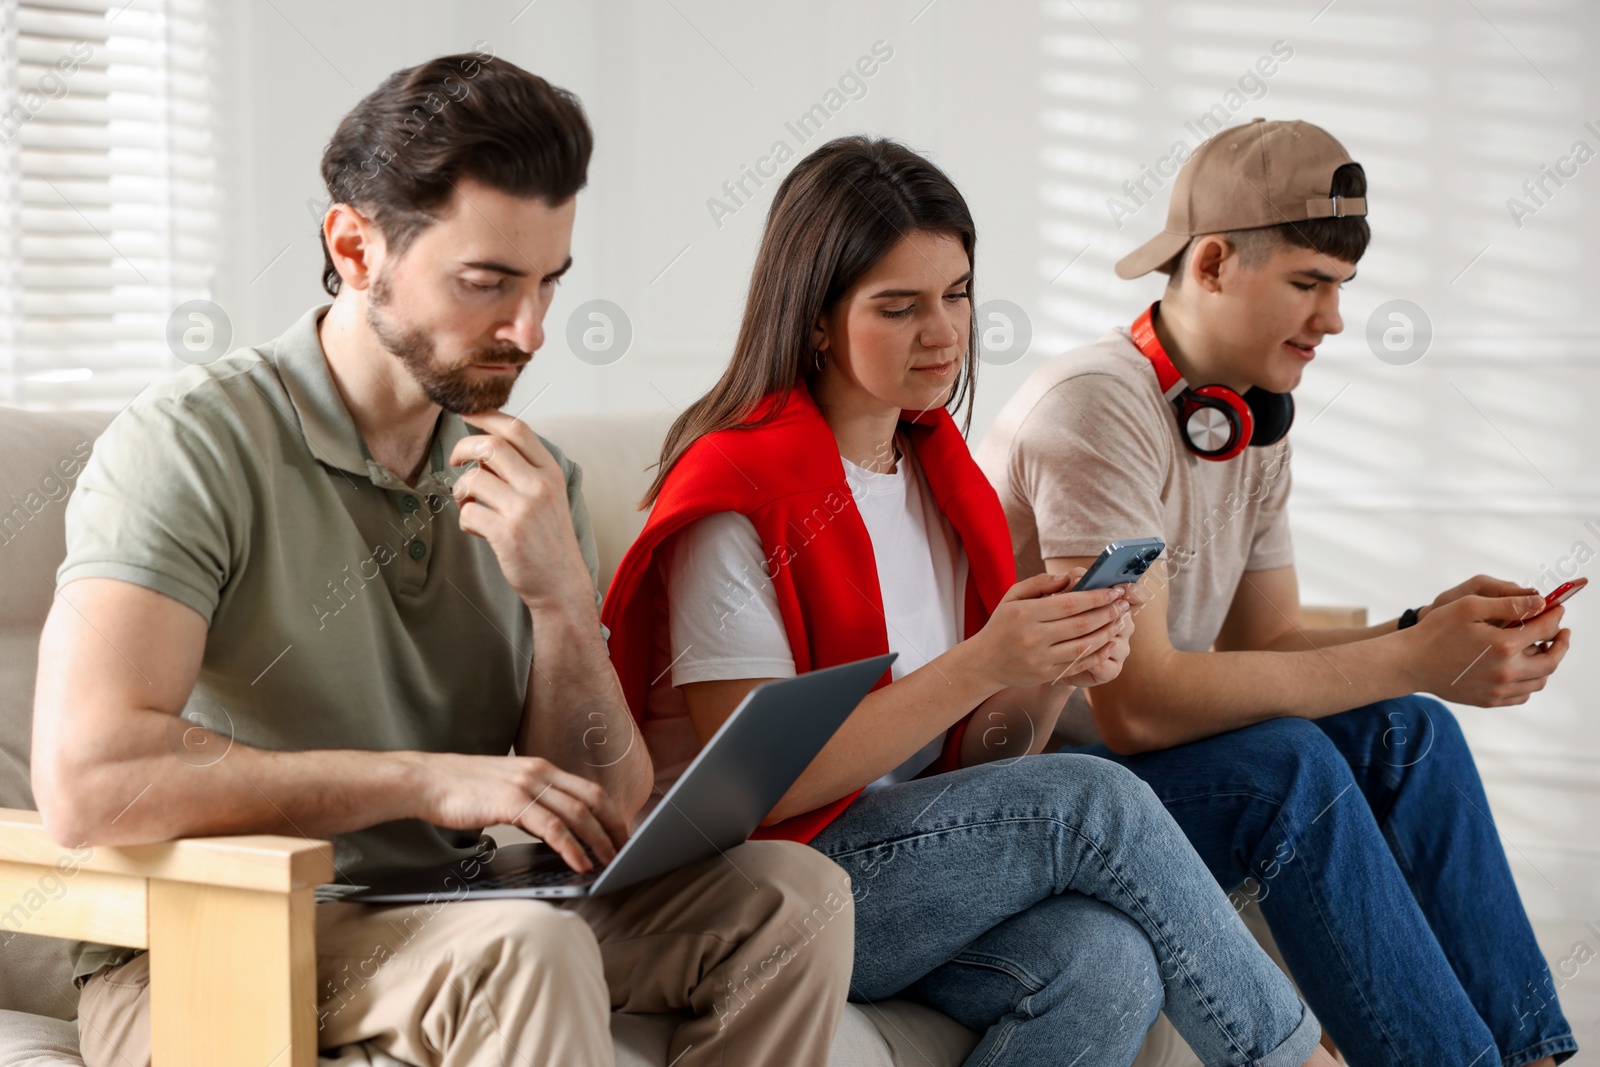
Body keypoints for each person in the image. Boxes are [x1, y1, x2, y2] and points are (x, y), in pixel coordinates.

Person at [33, 54, 854, 1067]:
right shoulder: (194, 444)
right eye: (487, 283)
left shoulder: (523, 470)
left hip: (440, 911)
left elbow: (600, 805)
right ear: (356, 244)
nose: (531, 329)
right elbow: (89, 778)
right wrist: (426, 781)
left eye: (549, 282)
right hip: (216, 937)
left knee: (791, 896)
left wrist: (559, 604)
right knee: (525, 948)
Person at [602, 134, 1336, 1067]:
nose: (944, 332)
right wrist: (986, 659)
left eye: (956, 294)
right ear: (816, 319)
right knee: (1092, 799)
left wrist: (1045, 671)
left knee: (1104, 961)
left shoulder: (941, 478)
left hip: (912, 862)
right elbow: (761, 788)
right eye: (899, 306)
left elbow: (978, 760)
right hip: (773, 882)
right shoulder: (736, 495)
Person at [976, 118, 1576, 1067]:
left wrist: (1429, 635)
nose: (1333, 319)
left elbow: (1269, 640)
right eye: (1309, 283)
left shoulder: (1245, 420)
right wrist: (1408, 655)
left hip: (1142, 777)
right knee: (1289, 767)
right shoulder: (1096, 408)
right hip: (1048, 801)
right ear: (1211, 263)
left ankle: (1534, 1056)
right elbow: (1137, 706)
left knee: (1409, 730)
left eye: (1340, 288)